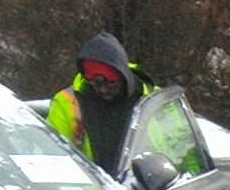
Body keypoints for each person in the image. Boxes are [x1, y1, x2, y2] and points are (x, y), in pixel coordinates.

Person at [47, 32, 153, 169]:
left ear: (123, 76)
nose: (103, 90)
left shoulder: (155, 102)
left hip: (146, 187)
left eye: (110, 83)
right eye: (95, 83)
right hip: (92, 188)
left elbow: (183, 150)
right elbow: (53, 158)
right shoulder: (67, 103)